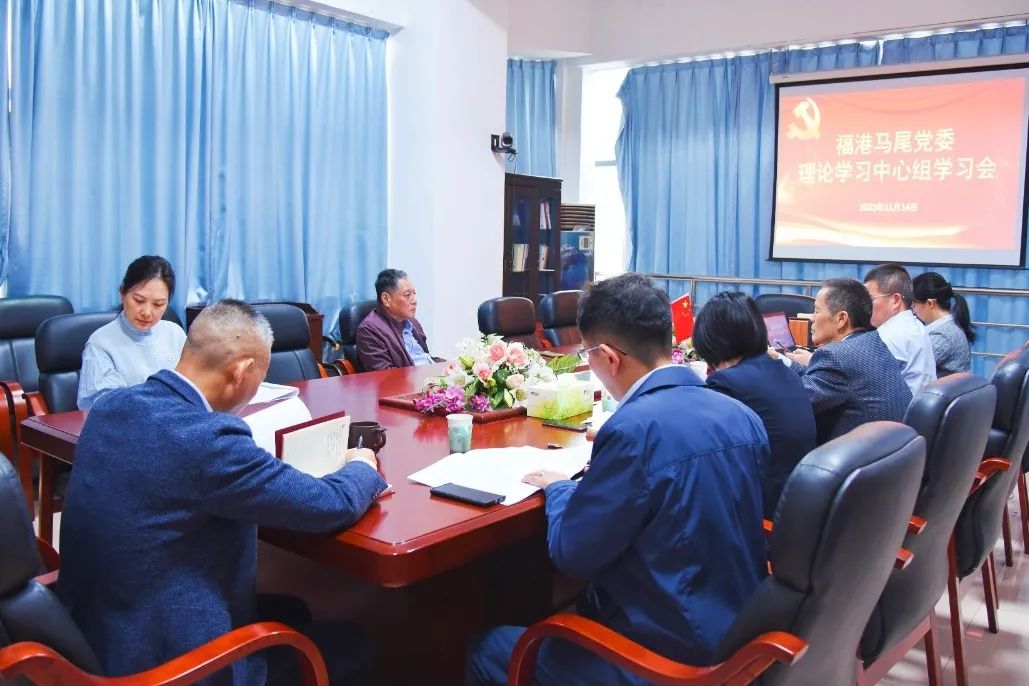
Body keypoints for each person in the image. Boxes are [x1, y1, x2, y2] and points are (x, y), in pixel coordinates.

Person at [58, 300, 388, 686]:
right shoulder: (209, 440)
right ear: (241, 372)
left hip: (95, 635)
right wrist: (362, 464)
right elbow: (331, 504)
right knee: (354, 644)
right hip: (166, 665)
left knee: (294, 608)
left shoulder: (113, 405)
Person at [466, 274, 769, 685]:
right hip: (741, 643)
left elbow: (572, 553)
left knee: (487, 649)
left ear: (609, 358)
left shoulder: (632, 431)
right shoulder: (742, 414)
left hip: (670, 661)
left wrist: (560, 488)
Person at [693, 291, 817, 518]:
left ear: (710, 339)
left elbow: (707, 453)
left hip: (762, 512)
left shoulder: (727, 383)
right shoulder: (784, 371)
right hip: (796, 502)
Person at [781, 278, 912, 443]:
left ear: (841, 319)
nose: (812, 319)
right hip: (890, 450)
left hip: (857, 454)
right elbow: (819, 377)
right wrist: (782, 361)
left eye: (816, 311)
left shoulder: (836, 357)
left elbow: (793, 403)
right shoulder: (870, 341)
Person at [78, 255, 187, 409]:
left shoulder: (175, 333)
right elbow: (103, 405)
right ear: (122, 293)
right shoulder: (100, 343)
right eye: (139, 300)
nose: (147, 312)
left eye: (158, 304)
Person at [863, 263, 936, 394]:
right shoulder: (915, 325)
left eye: (870, 299)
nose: (865, 306)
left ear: (896, 300)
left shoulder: (889, 336)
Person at [356, 268, 435, 371]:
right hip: (412, 380)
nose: (414, 301)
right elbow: (386, 375)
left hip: (429, 376)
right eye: (407, 295)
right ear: (386, 299)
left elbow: (425, 358)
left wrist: (449, 366)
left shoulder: (412, 323)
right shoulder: (369, 331)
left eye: (414, 294)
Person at [912, 272, 975, 376]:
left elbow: (913, 366)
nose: (914, 312)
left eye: (914, 305)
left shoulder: (943, 336)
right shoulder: (951, 326)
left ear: (930, 303)